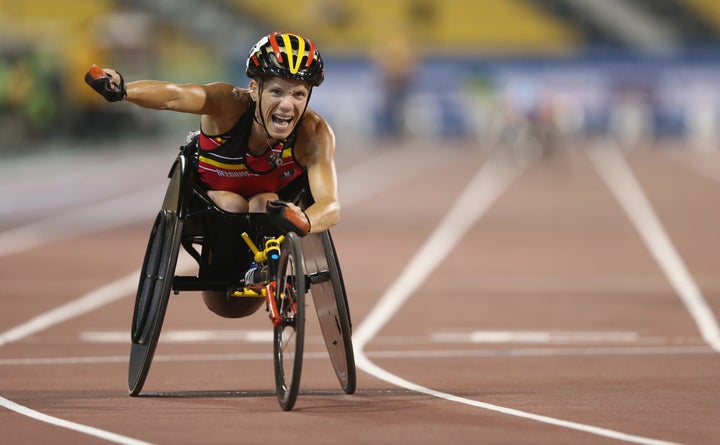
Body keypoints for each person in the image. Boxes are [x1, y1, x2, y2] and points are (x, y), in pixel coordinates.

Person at [85, 31, 340, 317]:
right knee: (232, 203)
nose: (286, 104)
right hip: (210, 208)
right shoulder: (226, 104)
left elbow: (330, 205)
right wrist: (124, 89)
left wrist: (304, 219)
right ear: (255, 90)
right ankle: (229, 267)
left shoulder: (314, 133)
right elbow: (173, 96)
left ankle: (265, 274)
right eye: (277, 91)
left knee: (264, 201)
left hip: (267, 216)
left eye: (298, 94)